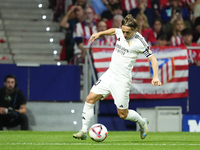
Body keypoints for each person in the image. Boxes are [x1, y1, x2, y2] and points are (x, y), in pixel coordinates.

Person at [73, 14, 162, 140]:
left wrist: (156, 77)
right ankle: (83, 131)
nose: (124, 35)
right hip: (109, 74)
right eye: (123, 31)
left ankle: (142, 122)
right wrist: (100, 33)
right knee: (90, 98)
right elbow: (114, 31)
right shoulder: (121, 31)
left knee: (122, 114)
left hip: (122, 81)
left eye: (127, 32)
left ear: (135, 30)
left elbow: (153, 59)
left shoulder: (140, 42)